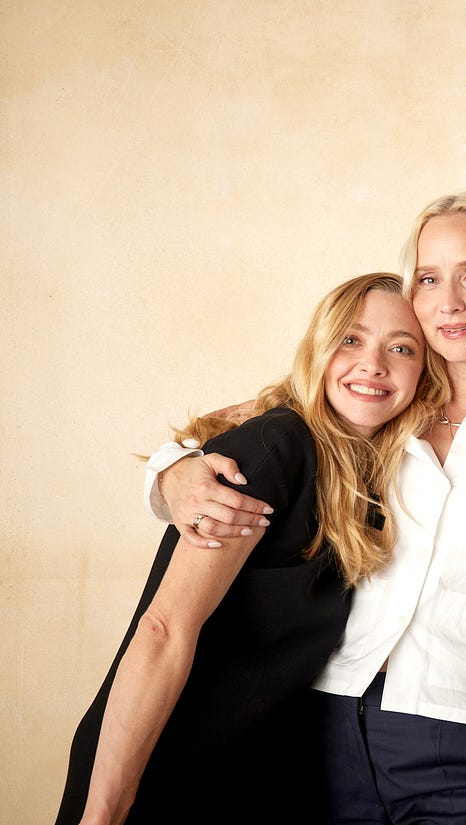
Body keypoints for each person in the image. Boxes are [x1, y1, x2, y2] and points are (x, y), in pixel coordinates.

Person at [146, 191, 466, 824]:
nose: (449, 302)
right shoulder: (382, 404)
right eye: (428, 279)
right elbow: (237, 434)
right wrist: (168, 473)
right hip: (327, 724)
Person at [56, 273, 444, 825]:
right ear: (319, 349)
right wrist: (102, 815)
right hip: (154, 768)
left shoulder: (377, 479)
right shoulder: (277, 445)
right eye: (351, 339)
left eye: (401, 348)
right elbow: (163, 631)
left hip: (253, 780)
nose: (373, 364)